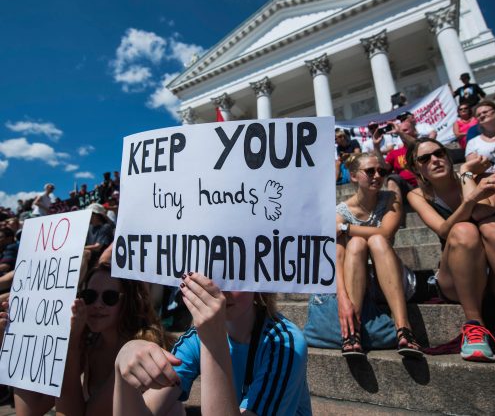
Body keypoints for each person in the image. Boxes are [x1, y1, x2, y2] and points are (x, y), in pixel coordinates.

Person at [114, 273, 312, 415]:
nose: (220, 290)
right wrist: (123, 369)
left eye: (234, 275)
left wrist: (213, 340)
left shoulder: (285, 344)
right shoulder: (195, 339)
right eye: (211, 276)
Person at [2, 262, 171, 415]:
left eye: (109, 297)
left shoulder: (140, 347)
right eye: (90, 296)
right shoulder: (91, 343)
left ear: (129, 303)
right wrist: (16, 334)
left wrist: (72, 344)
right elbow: (32, 410)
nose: (97, 304)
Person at [406, 138, 495, 362]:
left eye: (439, 153)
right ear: (417, 169)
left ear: (448, 157)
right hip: (456, 276)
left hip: (494, 270)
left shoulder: (484, 178)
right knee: (463, 231)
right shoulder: (417, 195)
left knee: (491, 227)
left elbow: (480, 213)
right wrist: (471, 199)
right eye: (425, 158)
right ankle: (474, 326)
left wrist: (466, 171)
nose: (435, 160)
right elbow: (445, 231)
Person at [335, 153, 421, 358]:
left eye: (382, 171)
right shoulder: (341, 211)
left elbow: (386, 233)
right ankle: (352, 332)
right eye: (370, 171)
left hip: (393, 279)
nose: (377, 176)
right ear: (354, 176)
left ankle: (404, 327)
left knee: (376, 240)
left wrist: (345, 228)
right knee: (356, 244)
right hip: (358, 281)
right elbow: (337, 259)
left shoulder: (391, 198)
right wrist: (341, 297)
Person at [465, 100, 495, 169]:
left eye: (485, 112)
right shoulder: (473, 143)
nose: (482, 115)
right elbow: (471, 170)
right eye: (478, 115)